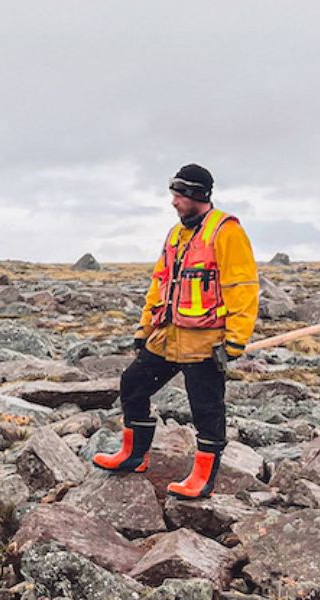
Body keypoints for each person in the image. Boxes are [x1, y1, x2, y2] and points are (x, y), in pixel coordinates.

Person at [92, 164, 259, 499]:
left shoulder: (226, 232)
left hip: (204, 341)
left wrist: (236, 341)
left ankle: (203, 478)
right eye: (174, 194)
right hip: (166, 337)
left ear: (197, 195)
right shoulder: (175, 235)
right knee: (133, 385)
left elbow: (243, 288)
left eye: (179, 195)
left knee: (206, 408)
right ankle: (134, 455)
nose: (174, 202)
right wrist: (144, 329)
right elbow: (159, 284)